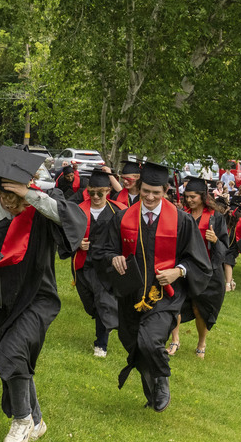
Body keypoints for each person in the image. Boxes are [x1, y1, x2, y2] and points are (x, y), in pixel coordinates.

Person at [0, 147, 85, 442]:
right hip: (0, 301)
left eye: (16, 194)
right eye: (5, 192)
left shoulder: (40, 213)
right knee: (8, 358)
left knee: (12, 353)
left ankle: (21, 421)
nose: (10, 201)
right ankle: (37, 419)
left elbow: (75, 220)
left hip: (37, 299)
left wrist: (30, 195)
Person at [89, 161, 211, 412]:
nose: (150, 197)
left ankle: (161, 380)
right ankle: (152, 388)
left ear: (166, 191)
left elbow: (198, 260)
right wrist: (114, 257)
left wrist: (178, 271)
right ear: (139, 187)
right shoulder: (123, 217)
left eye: (156, 192)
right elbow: (102, 250)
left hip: (164, 295)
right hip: (130, 293)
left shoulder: (181, 221)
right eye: (146, 191)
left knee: (151, 341)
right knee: (133, 342)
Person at [168, 177, 229, 358]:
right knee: (175, 303)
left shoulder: (216, 218)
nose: (189, 200)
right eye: (187, 196)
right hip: (184, 267)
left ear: (203, 196)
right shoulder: (182, 215)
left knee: (200, 308)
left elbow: (225, 247)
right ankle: (175, 340)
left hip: (207, 270)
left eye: (193, 196)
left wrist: (215, 240)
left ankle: (201, 343)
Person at [71, 166, 123, 358]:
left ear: (108, 191)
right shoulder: (78, 210)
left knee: (103, 302)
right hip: (84, 265)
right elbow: (65, 235)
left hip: (106, 266)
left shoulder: (118, 212)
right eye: (91, 192)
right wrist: (77, 244)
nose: (95, 197)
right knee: (90, 304)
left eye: (100, 193)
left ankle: (101, 344)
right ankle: (106, 320)